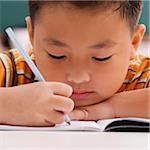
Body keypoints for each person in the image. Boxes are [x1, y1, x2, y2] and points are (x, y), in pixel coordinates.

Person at [0, 1, 149, 127]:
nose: (78, 78)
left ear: (133, 42)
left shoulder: (141, 74)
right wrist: (8, 104)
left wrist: (111, 109)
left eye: (101, 58)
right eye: (57, 55)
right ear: (31, 34)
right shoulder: (15, 68)